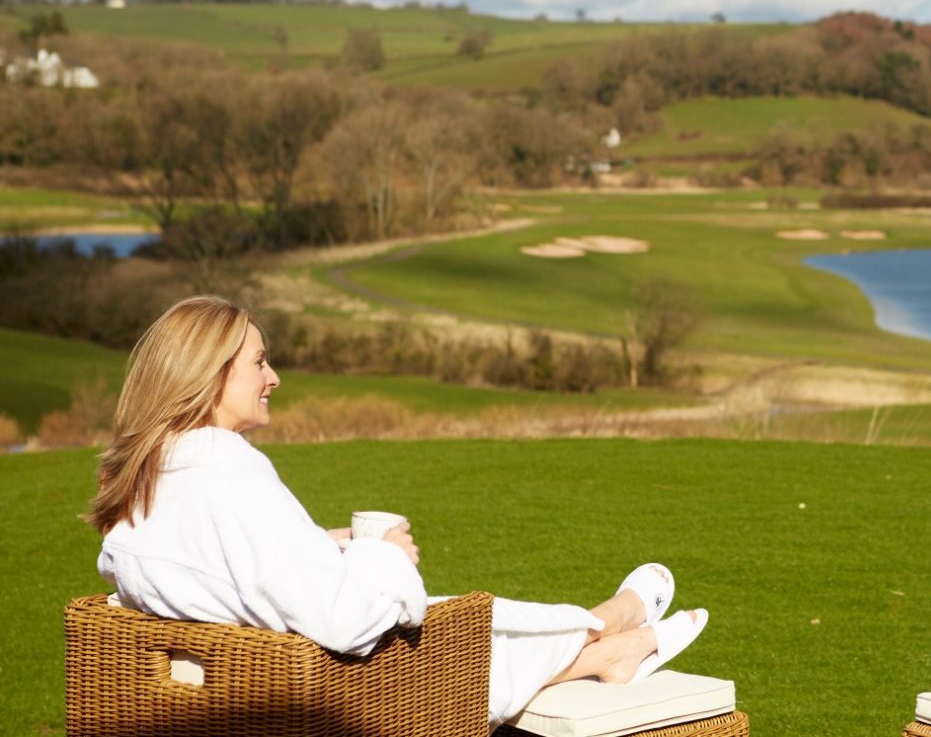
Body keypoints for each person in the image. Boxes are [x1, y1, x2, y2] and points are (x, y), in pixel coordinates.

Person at [90, 295, 708, 728]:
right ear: (210, 375)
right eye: (258, 362)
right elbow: (346, 621)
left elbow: (224, 570)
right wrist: (383, 557)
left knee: (475, 626)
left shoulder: (158, 481)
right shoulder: (231, 473)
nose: (273, 376)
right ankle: (613, 626)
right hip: (346, 694)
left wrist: (326, 545)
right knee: (466, 629)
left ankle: (605, 648)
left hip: (246, 677)